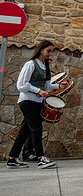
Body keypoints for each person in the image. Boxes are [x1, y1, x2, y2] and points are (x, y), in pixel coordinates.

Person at [7, 40, 67, 169]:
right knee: (36, 128)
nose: (50, 54)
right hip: (27, 100)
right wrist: (38, 90)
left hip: (38, 102)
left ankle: (12, 158)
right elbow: (21, 84)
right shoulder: (30, 64)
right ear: (41, 50)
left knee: (25, 131)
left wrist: (58, 85)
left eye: (51, 51)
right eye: (48, 51)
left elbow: (46, 86)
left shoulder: (45, 66)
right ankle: (41, 158)